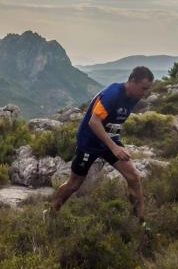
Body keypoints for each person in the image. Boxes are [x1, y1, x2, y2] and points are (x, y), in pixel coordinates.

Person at [50, 66, 154, 222]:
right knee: (74, 184)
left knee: (133, 177)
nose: (144, 93)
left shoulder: (134, 97)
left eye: (147, 89)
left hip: (109, 140)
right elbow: (94, 122)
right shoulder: (112, 94)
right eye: (143, 88)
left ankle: (141, 221)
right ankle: (52, 213)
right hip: (89, 141)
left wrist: (113, 144)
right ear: (132, 81)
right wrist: (114, 148)